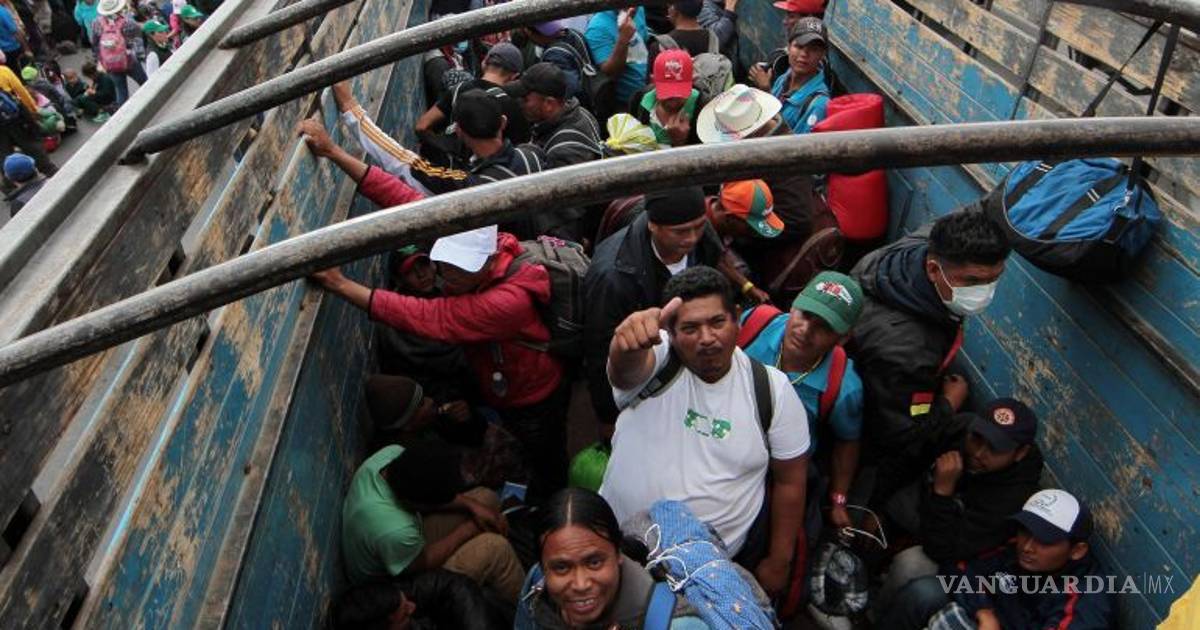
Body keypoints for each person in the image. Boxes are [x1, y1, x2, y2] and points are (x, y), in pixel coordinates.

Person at [310, 225, 568, 502]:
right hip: (507, 384)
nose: (443, 274)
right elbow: (414, 207)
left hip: (530, 394)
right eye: (444, 264)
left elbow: (433, 317)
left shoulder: (503, 303)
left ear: (485, 263)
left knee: (544, 460)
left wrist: (341, 285)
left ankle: (551, 501)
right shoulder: (495, 253)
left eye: (455, 268)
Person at [599, 266, 811, 596]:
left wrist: (778, 561)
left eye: (717, 322)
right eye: (690, 328)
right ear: (669, 332)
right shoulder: (657, 361)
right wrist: (624, 345)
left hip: (704, 578)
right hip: (615, 556)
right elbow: (625, 371)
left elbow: (791, 480)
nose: (707, 338)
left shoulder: (773, 391)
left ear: (737, 318)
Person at [848, 211, 1010, 513]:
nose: (985, 292)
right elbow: (900, 435)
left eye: (994, 279)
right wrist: (947, 404)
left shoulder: (915, 250)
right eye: (972, 281)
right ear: (934, 270)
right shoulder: (909, 352)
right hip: (874, 417)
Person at [877, 398, 1045, 613]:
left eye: (995, 448)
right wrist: (876, 509)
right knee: (872, 511)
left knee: (909, 566)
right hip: (923, 504)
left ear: (1020, 453)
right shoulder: (961, 429)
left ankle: (875, 616)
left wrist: (942, 493)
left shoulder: (1015, 497)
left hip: (952, 553)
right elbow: (908, 458)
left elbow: (942, 550)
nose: (979, 453)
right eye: (977, 439)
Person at [582, 186, 726, 428]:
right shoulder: (614, 276)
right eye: (680, 231)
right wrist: (608, 416)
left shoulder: (704, 237)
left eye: (699, 226)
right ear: (653, 225)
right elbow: (600, 351)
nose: (692, 238)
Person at [739, 271, 865, 532]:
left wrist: (839, 499)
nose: (805, 331)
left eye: (824, 327)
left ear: (843, 338)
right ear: (793, 306)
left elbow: (847, 441)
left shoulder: (843, 386)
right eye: (805, 315)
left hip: (777, 473)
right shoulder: (755, 324)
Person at [882, 489, 1115, 630]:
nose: (1028, 547)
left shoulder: (1084, 599)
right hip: (989, 619)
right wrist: (985, 612)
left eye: (1045, 541)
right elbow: (960, 567)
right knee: (924, 592)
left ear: (1077, 550)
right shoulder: (1015, 547)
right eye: (1025, 531)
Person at [340, 440, 524, 603]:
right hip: (398, 588)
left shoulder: (391, 455)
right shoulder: (395, 529)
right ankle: (530, 610)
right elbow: (423, 562)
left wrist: (473, 506)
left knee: (486, 498)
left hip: (401, 548)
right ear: (416, 503)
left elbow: (432, 495)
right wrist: (468, 530)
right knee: (495, 549)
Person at [515, 487, 709, 629]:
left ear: (618, 555)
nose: (581, 584)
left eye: (594, 562)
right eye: (562, 568)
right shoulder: (537, 587)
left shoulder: (677, 626)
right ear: (543, 567)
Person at [415, 41, 529, 152]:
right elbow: (520, 149)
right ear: (514, 76)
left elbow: (421, 126)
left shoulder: (459, 89)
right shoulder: (512, 107)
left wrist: (446, 147)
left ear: (484, 63)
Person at [334, 570, 505, 630]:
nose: (412, 607)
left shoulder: (396, 594)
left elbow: (453, 586)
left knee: (486, 598)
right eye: (404, 614)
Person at [509, 62, 603, 170]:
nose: (519, 103)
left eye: (525, 99)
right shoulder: (581, 112)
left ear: (549, 103)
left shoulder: (564, 153)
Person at [749, 17, 829, 134]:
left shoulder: (819, 104)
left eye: (814, 49)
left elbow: (803, 145)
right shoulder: (784, 78)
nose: (804, 54)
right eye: (799, 46)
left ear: (822, 55)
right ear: (789, 47)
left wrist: (766, 91)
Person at [629, 49, 702, 148]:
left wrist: (680, 143)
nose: (673, 98)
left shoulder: (703, 110)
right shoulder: (639, 101)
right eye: (667, 90)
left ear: (692, 82)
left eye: (680, 90)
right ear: (653, 81)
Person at [0, 59, 56, 179]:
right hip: (14, 118)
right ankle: (50, 171)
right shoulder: (3, 71)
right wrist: (33, 109)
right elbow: (21, 91)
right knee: (31, 145)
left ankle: (12, 182)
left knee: (4, 154)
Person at [584, 6, 650, 108]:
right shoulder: (597, 27)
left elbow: (645, 44)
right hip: (625, 103)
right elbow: (610, 72)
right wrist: (623, 39)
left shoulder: (638, 9)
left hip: (647, 94)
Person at [91, 0, 148, 106]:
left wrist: (100, 60)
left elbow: (95, 44)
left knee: (121, 91)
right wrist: (141, 57)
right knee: (145, 83)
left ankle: (124, 113)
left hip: (110, 64)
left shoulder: (96, 23)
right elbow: (137, 41)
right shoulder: (128, 22)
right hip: (130, 60)